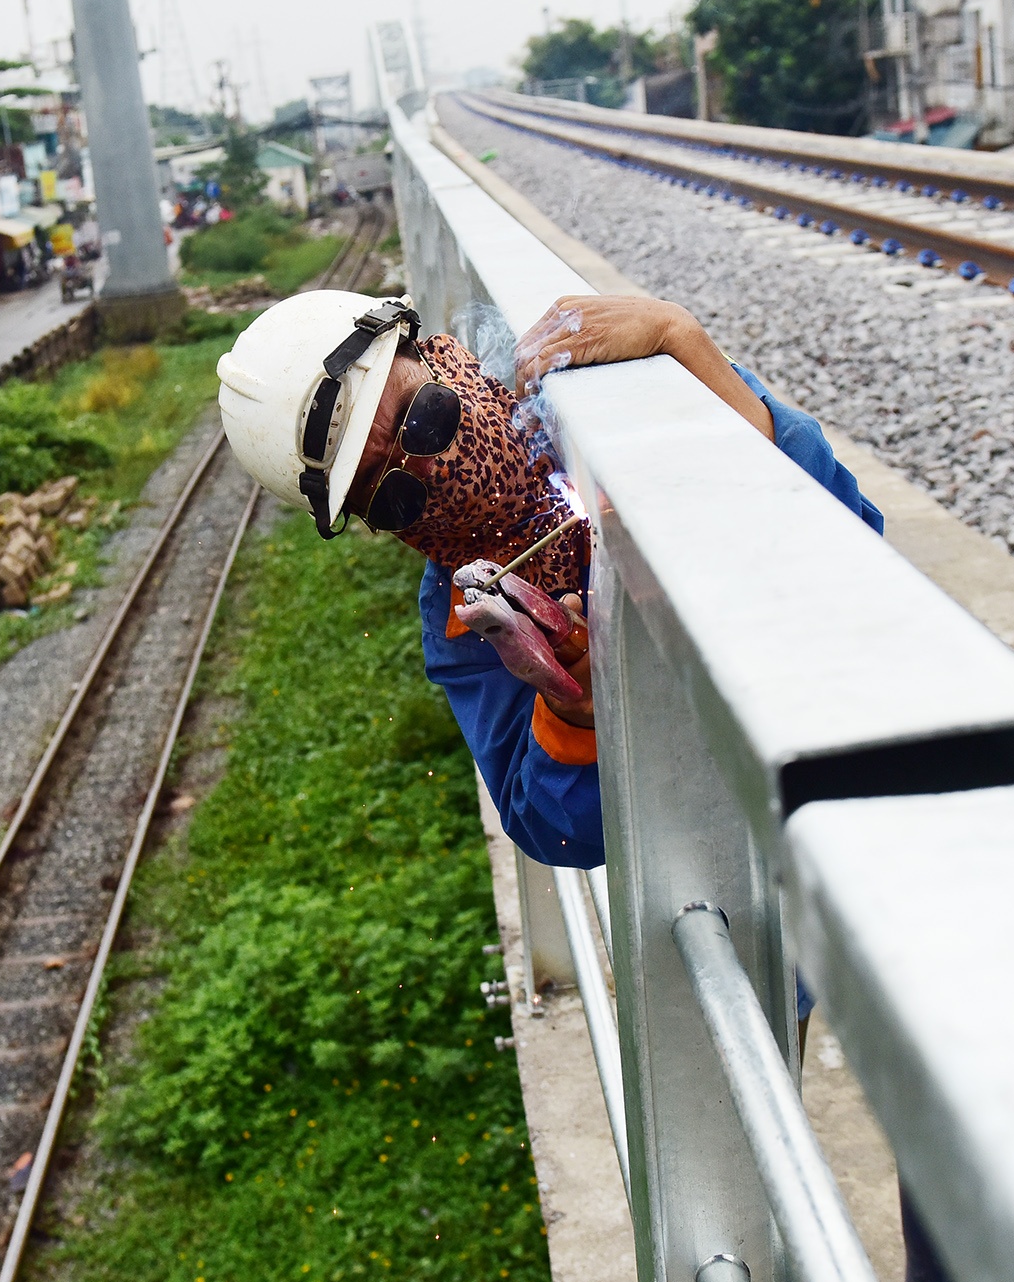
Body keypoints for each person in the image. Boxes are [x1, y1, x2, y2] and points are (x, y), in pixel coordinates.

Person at [215, 290, 880, 867]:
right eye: (392, 497)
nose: (430, 471)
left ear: (434, 353)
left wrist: (684, 342)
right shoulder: (467, 618)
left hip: (848, 736)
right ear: (370, 522)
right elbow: (549, 831)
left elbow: (850, 537)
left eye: (425, 419)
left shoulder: (602, 403)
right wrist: (572, 716)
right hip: (732, 850)